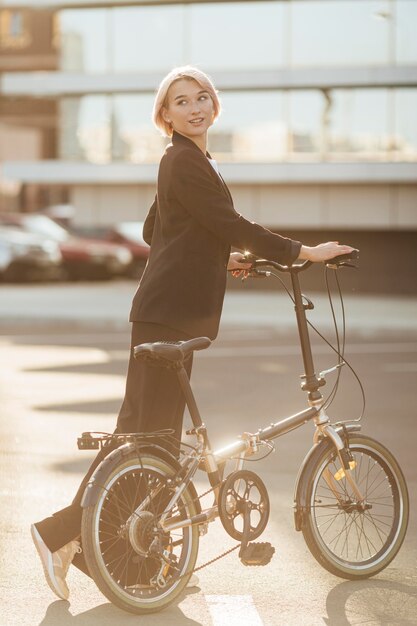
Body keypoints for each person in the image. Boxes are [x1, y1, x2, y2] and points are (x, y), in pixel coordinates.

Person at [31, 65, 353, 601]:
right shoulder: (185, 160)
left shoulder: (185, 160)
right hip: (168, 313)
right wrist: (304, 252)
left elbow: (156, 229)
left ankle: (114, 557)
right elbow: (228, 223)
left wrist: (216, 257)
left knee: (145, 438)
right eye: (181, 101)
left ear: (214, 105)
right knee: (142, 439)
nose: (195, 107)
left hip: (168, 310)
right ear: (165, 115)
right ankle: (60, 535)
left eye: (203, 97)